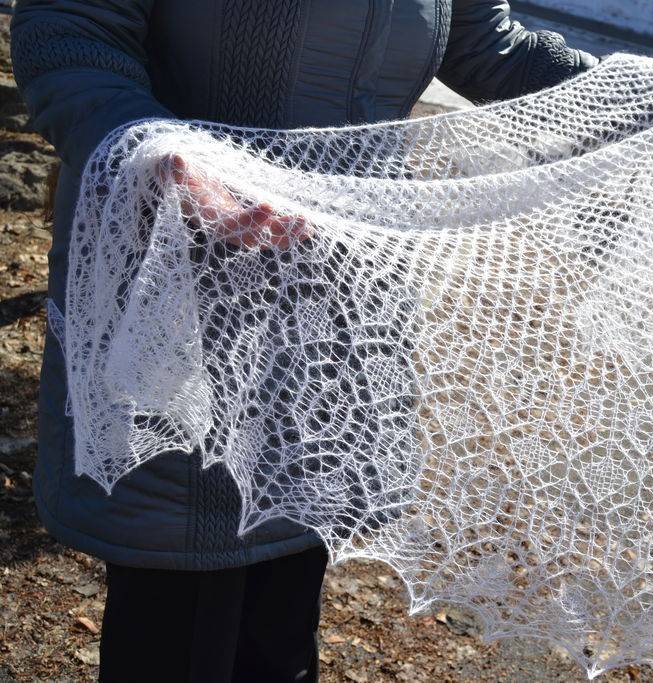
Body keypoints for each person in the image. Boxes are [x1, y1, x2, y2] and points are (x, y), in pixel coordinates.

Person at [9, 2, 597, 680]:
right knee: (176, 626)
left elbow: (486, 43)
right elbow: (72, 29)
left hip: (337, 318)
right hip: (181, 301)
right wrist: (158, 154)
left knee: (281, 631)